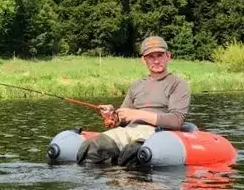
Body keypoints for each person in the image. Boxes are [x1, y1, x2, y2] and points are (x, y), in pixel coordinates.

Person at [79, 35, 191, 166]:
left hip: (159, 133)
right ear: (143, 60)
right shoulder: (136, 85)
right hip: (130, 130)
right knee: (91, 148)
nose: (156, 61)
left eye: (159, 55)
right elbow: (122, 120)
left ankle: (126, 180)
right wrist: (113, 116)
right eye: (151, 57)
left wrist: (137, 114)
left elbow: (176, 121)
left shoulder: (178, 84)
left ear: (168, 56)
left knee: (132, 153)